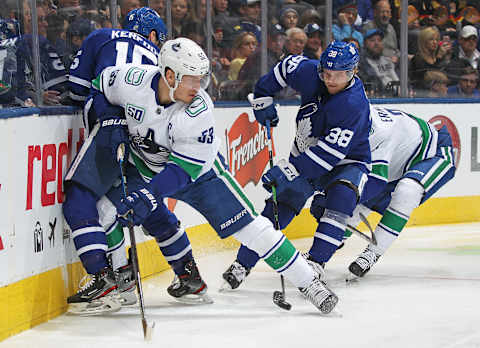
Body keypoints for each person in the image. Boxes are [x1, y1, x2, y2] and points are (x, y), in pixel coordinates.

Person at [89, 37, 339, 314]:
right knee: (104, 211)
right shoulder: (131, 80)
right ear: (169, 75)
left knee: (252, 229)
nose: (198, 88)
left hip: (200, 176)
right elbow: (99, 85)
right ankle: (121, 278)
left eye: (201, 80)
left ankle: (309, 282)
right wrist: (109, 117)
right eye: (191, 80)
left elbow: (183, 170)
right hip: (143, 167)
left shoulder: (199, 109)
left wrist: (149, 196)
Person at [63, 8, 193, 315]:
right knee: (135, 201)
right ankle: (187, 275)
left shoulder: (102, 37)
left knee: (80, 200)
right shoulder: (162, 63)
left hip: (112, 126)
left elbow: (77, 89)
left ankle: (102, 277)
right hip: (152, 138)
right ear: (151, 36)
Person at [222, 41, 371, 290]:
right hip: (306, 152)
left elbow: (329, 154)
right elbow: (284, 68)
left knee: (342, 197)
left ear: (353, 72)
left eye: (339, 75)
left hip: (347, 161)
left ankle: (315, 263)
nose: (330, 80)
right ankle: (242, 264)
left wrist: (288, 170)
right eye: (327, 73)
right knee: (281, 205)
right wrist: (262, 97)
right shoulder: (311, 72)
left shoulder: (354, 104)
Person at [310, 105, 456, 278]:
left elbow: (372, 184)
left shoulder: (377, 133)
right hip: (395, 161)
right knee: (349, 204)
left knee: (407, 191)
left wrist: (332, 200)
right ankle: (318, 258)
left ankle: (373, 252)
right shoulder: (338, 125)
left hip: (432, 152)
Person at [358, 28, 399, 97]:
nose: (376, 43)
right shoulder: (361, 64)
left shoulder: (388, 60)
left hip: (400, 96)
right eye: (372, 40)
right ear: (365, 44)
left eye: (379, 40)